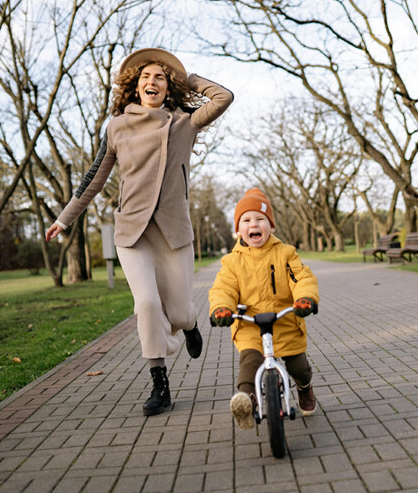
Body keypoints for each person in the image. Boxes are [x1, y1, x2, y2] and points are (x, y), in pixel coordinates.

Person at [46, 48, 234, 416]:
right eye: (146, 77)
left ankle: (190, 323)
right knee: (146, 304)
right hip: (132, 230)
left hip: (172, 230)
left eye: (161, 78)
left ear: (168, 88)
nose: (153, 82)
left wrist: (187, 77)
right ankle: (159, 383)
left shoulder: (185, 122)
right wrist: (64, 218)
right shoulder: (117, 127)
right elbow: (94, 177)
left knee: (178, 312)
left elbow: (223, 97)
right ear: (135, 86)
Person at [208, 188, 319, 430]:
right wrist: (221, 308)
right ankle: (246, 402)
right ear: (238, 230)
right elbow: (223, 289)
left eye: (260, 219)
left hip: (285, 321)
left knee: (299, 366)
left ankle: (305, 388)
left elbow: (302, 279)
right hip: (249, 324)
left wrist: (305, 299)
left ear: (271, 226)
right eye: (246, 220)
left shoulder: (286, 253)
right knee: (249, 362)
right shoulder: (232, 261)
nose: (253, 224)